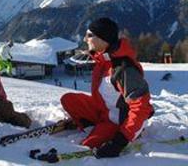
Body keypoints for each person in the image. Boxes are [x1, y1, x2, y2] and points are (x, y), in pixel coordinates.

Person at [60, 18, 154, 158]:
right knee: (68, 100)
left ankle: (102, 131)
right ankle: (93, 126)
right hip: (105, 111)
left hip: (118, 121)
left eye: (90, 35)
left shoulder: (123, 69)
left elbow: (141, 108)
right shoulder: (103, 61)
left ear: (104, 39)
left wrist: (120, 141)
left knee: (88, 146)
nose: (85, 39)